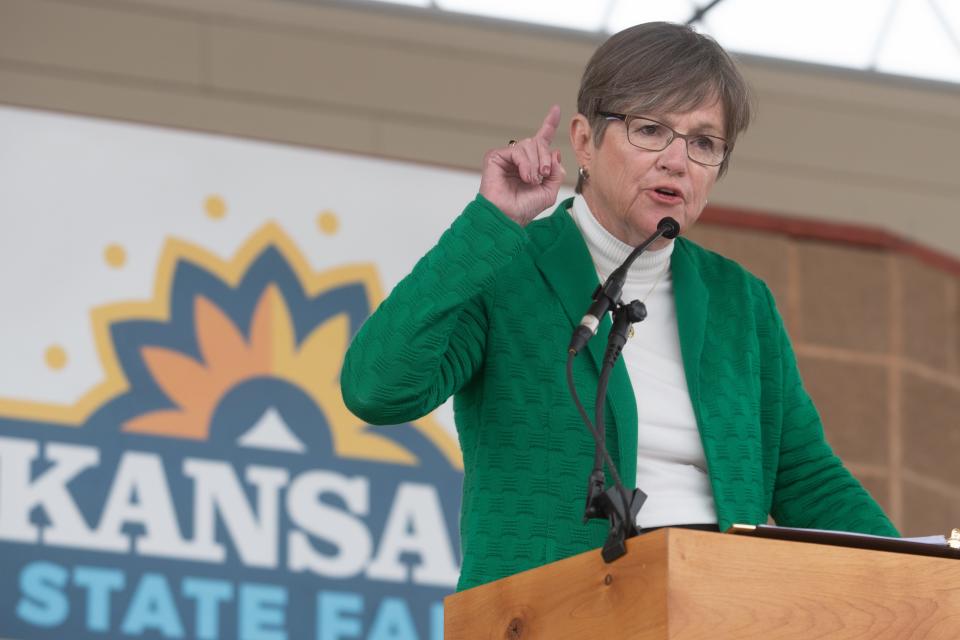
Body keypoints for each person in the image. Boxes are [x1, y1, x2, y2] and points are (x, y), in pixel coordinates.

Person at [340, 22, 898, 592]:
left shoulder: (741, 301)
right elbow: (378, 390)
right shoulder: (508, 267)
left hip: (715, 606)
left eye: (704, 143)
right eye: (651, 130)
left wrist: (923, 575)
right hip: (547, 615)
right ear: (584, 141)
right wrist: (491, 224)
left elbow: (806, 476)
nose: (677, 161)